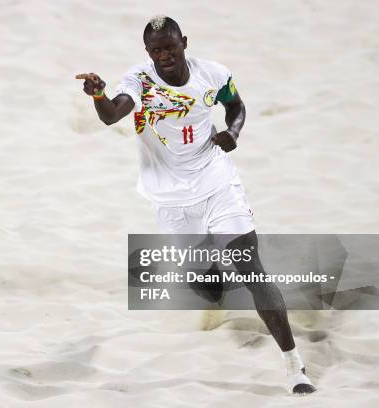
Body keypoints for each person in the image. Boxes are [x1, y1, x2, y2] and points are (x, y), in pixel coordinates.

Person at [76, 15, 317, 395]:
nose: (164, 55)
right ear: (147, 53)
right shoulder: (138, 80)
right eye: (156, 50)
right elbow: (111, 115)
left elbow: (236, 106)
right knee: (204, 282)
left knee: (251, 269)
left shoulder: (214, 75)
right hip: (169, 199)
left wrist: (232, 132)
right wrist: (97, 95)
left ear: (184, 42)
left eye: (170, 47)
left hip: (216, 183)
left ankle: (294, 366)